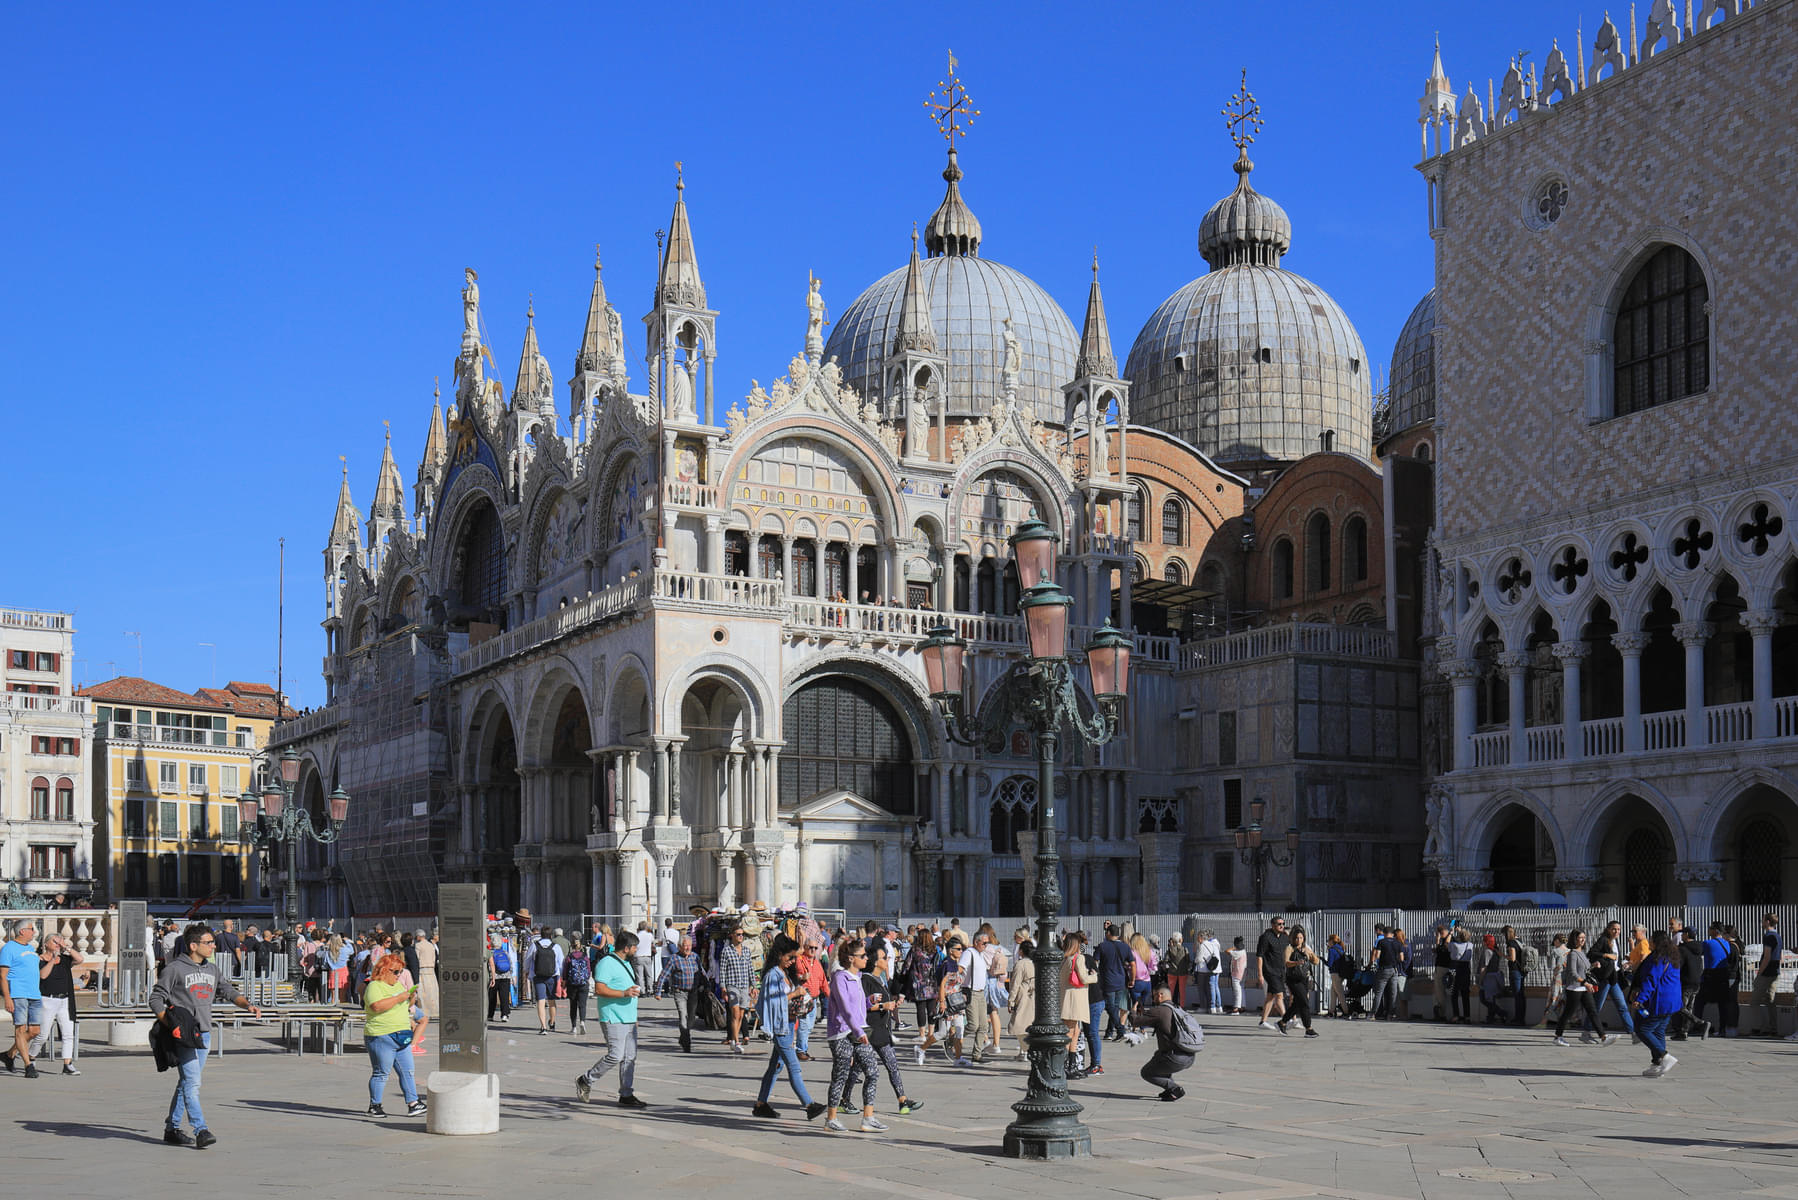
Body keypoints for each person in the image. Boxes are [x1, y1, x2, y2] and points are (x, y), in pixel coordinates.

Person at [151, 923, 263, 1147]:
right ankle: (200, 1129)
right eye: (208, 942)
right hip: (183, 1034)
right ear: (193, 945)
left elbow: (227, 990)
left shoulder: (212, 969)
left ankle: (171, 1128)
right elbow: (155, 999)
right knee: (193, 1083)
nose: (213, 946)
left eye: (212, 942)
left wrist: (247, 1005)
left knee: (187, 1082)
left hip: (204, 1033)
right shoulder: (175, 969)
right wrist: (169, 1024)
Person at [751, 936, 825, 1120]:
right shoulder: (772, 976)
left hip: (790, 1024)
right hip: (780, 1027)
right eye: (790, 957)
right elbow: (772, 1003)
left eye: (794, 958)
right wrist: (795, 993)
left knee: (775, 1068)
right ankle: (809, 1105)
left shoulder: (785, 973)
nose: (793, 961)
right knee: (794, 1066)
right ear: (779, 955)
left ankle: (761, 1104)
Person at [845, 941, 924, 1114]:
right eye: (884, 957)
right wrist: (883, 1007)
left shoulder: (880, 979)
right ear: (875, 961)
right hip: (868, 1031)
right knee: (857, 1069)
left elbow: (885, 1001)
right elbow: (861, 1005)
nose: (887, 959)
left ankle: (903, 1101)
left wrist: (893, 1003)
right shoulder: (865, 980)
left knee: (892, 1065)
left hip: (881, 1031)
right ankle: (845, 1099)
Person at [574, 930, 647, 1108]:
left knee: (630, 1057)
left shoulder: (626, 963)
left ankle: (626, 1094)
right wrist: (624, 993)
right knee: (616, 1055)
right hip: (613, 1017)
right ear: (626, 948)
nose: (636, 950)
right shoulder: (606, 963)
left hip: (629, 1018)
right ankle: (586, 1079)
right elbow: (599, 989)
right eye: (634, 947)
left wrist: (634, 1016)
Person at [822, 939, 885, 1133]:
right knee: (840, 1075)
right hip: (842, 1032)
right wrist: (858, 1032)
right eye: (862, 955)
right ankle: (831, 1119)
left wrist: (868, 1001)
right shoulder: (840, 978)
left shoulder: (858, 977)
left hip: (860, 1030)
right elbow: (845, 1008)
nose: (867, 958)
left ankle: (868, 1117)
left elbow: (856, 1006)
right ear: (851, 958)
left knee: (872, 1071)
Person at [362, 953, 428, 1117]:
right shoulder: (374, 986)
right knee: (381, 1072)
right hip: (381, 1035)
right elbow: (376, 1006)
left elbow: (405, 1005)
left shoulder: (398, 986)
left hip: (401, 1036)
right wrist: (399, 998)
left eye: (401, 971)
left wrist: (411, 998)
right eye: (396, 972)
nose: (399, 975)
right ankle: (374, 1105)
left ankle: (413, 1103)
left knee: (408, 1071)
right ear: (384, 970)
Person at [1552, 929, 1621, 1047]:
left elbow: (1585, 969)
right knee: (1568, 1014)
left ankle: (1603, 1037)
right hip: (1574, 988)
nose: (1583, 939)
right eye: (1580, 937)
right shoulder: (1573, 953)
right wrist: (1585, 983)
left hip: (1583, 988)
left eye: (1584, 937)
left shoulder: (1582, 952)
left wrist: (1594, 965)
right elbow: (1573, 973)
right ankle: (1558, 1037)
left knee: (1592, 1011)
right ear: (1575, 939)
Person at [1629, 930, 1684, 1077]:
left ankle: (1664, 1056)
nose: (1650, 942)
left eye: (1652, 940)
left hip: (1660, 1000)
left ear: (1657, 942)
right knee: (1658, 1030)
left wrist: (1640, 999)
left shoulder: (1658, 959)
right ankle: (1657, 1065)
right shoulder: (1672, 957)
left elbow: (1651, 980)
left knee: (1642, 1029)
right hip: (1672, 1001)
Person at [1128, 985, 1197, 1101]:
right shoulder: (1178, 1009)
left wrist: (1133, 1011)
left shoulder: (1159, 1011)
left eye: (1154, 995)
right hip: (1190, 1055)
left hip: (1175, 1057)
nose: (1153, 998)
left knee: (1147, 1072)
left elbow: (1135, 1021)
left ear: (1160, 995)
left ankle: (1174, 1089)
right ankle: (1169, 1091)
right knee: (1159, 1056)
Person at [30, 929, 83, 1075]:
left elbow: (79, 959)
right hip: (47, 1000)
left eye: (59, 942)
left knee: (68, 1033)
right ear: (46, 944)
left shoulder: (65, 959)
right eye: (55, 941)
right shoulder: (39, 959)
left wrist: (67, 948)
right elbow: (43, 975)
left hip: (64, 1000)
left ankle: (68, 1063)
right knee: (43, 1034)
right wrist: (53, 959)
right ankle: (31, 1057)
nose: (58, 944)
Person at [0, 921, 44, 1078]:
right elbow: (3, 976)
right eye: (32, 929)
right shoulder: (8, 948)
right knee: (20, 1029)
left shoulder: (31, 949)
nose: (34, 932)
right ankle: (28, 1066)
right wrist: (7, 998)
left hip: (35, 994)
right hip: (18, 994)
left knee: (34, 1031)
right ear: (22, 931)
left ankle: (9, 1054)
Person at [1590, 920, 1637, 1041]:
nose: (1617, 931)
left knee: (1622, 1005)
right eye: (1614, 929)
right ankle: (1586, 1030)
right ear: (1608, 929)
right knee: (1597, 1006)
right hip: (1605, 978)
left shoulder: (1615, 941)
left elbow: (1615, 960)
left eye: (1619, 929)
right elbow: (1592, 953)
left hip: (1614, 977)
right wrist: (1606, 955)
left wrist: (1623, 964)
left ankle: (1633, 1033)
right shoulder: (1603, 940)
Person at [653, 934, 700, 1052]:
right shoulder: (674, 958)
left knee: (691, 1019)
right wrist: (658, 991)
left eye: (689, 946)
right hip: (680, 992)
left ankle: (683, 1037)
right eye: (685, 946)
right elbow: (664, 974)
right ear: (679, 946)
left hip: (693, 992)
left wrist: (707, 986)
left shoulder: (695, 957)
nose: (688, 948)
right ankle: (686, 1044)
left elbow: (702, 972)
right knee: (683, 1017)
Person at [1060, 930, 1097, 1073]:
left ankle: (1071, 1063)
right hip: (1075, 1000)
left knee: (1075, 1031)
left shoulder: (1064, 959)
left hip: (1066, 999)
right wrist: (1094, 976)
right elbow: (1083, 978)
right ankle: (1066, 1064)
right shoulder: (1078, 958)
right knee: (1071, 1031)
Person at [718, 925, 757, 1054]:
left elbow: (750, 969)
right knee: (734, 1013)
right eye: (738, 934)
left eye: (742, 934)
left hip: (744, 986)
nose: (741, 937)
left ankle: (734, 1040)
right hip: (732, 986)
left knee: (741, 1015)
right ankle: (737, 1041)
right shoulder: (726, 951)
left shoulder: (746, 951)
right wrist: (723, 988)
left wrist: (754, 986)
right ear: (732, 935)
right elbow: (722, 970)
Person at [1277, 927, 1323, 1037]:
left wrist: (1311, 955)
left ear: (1304, 938)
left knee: (1297, 1004)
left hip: (1304, 979)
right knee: (1304, 1002)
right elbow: (1286, 963)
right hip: (1293, 979)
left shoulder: (1305, 948)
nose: (1298, 940)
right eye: (1296, 938)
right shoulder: (1289, 948)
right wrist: (1297, 962)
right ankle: (1308, 1028)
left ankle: (1282, 1022)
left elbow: (1316, 962)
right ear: (1292, 938)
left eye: (1301, 938)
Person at [1094, 923, 1135, 1040]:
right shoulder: (1125, 947)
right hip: (1121, 980)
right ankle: (1110, 1032)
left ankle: (1120, 1030)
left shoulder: (1102, 946)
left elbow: (1095, 962)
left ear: (1108, 933)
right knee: (1115, 1007)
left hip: (1107, 980)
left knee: (1109, 1006)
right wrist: (1132, 979)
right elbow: (1132, 964)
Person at [1256, 917, 1291, 1029]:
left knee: (1270, 996)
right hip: (1269, 971)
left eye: (1283, 924)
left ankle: (1263, 1022)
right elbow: (1259, 956)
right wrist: (1260, 974)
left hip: (1281, 971)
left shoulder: (1285, 937)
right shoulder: (1265, 937)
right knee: (1279, 995)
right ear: (1273, 925)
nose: (1282, 926)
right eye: (1279, 924)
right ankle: (1286, 1020)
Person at [528, 925, 563, 1035]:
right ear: (551, 935)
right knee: (552, 1001)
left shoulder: (534, 946)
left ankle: (543, 1027)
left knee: (541, 1001)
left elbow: (528, 960)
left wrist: (526, 971)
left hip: (538, 976)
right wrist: (561, 977)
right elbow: (560, 963)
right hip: (552, 976)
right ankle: (552, 1022)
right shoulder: (556, 947)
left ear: (541, 935)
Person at [1754, 914, 1785, 1037]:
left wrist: (1759, 973)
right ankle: (1772, 1028)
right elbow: (1781, 957)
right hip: (1775, 972)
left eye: (1762, 920)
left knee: (1754, 1001)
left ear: (1767, 921)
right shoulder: (1778, 936)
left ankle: (1762, 1028)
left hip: (1766, 973)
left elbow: (1766, 957)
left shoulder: (1768, 936)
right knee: (1770, 1001)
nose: (1761, 923)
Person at [1007, 933, 1036, 1060]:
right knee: (1027, 1023)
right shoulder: (1035, 962)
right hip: (1034, 994)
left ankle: (1027, 1049)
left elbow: (1015, 983)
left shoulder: (1021, 964)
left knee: (1019, 1024)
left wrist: (1011, 1000)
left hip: (1024, 994)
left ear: (1021, 951)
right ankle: (1024, 1051)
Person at [561, 934, 592, 1036]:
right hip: (583, 983)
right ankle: (582, 1022)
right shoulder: (585, 957)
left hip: (572, 983)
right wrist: (585, 979)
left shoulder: (569, 957)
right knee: (582, 1005)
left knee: (573, 1005)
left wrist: (564, 981)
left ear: (572, 946)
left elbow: (565, 971)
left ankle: (574, 1027)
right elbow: (588, 969)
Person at [487, 929, 515, 1022]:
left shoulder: (490, 953)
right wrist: (510, 976)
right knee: (504, 996)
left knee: (492, 997)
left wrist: (491, 977)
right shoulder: (505, 952)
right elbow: (510, 965)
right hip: (505, 977)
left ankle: (490, 1015)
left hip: (495, 977)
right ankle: (505, 1015)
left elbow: (490, 966)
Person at [1163, 934, 1190, 1011]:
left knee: (1170, 990)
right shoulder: (1185, 949)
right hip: (1183, 972)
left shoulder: (1170, 949)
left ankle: (1169, 1004)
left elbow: (1166, 960)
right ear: (1180, 940)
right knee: (1182, 990)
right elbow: (1188, 961)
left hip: (1172, 972)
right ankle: (1182, 1006)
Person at [1226, 935, 1248, 1014]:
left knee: (1237, 991)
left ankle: (1236, 1008)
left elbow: (1227, 951)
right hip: (1243, 974)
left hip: (1236, 974)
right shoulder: (1243, 951)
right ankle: (1242, 1006)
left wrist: (1233, 947)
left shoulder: (1237, 952)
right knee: (1241, 989)